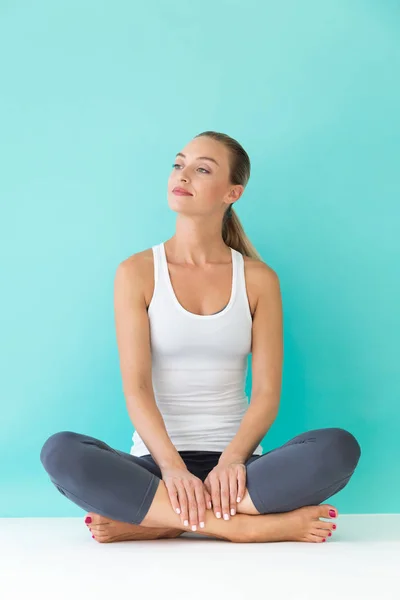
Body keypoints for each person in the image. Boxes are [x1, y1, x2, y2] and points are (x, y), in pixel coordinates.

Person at [40, 131, 361, 544]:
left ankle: (162, 521)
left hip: (239, 472)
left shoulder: (259, 279)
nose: (183, 174)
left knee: (338, 448)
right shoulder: (136, 272)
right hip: (156, 468)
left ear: (233, 192)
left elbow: (265, 394)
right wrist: (173, 469)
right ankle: (243, 528)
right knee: (61, 452)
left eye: (202, 169)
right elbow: (137, 389)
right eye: (179, 164)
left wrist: (231, 462)